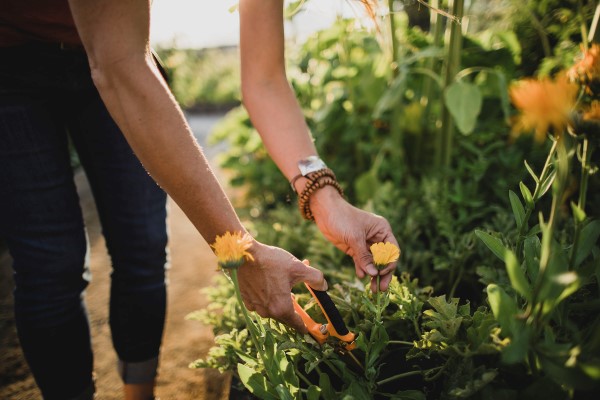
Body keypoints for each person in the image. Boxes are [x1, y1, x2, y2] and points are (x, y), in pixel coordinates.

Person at [0, 1, 398, 399]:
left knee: (142, 245)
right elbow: (118, 67)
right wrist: (242, 253)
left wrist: (325, 196)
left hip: (119, 53)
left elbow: (265, 81)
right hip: (13, 61)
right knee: (51, 265)